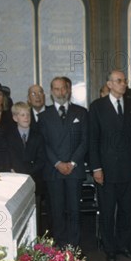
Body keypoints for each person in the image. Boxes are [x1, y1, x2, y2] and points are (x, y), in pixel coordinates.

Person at [89, 70, 131, 261]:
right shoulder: (97, 107)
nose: (124, 84)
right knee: (108, 210)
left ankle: (124, 246)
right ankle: (110, 249)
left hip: (128, 168)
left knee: (127, 210)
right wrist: (96, 168)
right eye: (119, 81)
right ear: (109, 84)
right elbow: (93, 139)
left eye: (125, 81)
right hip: (106, 169)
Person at [38, 76, 88, 248]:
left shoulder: (81, 113)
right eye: (57, 89)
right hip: (54, 171)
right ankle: (59, 247)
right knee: (56, 211)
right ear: (51, 92)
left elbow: (85, 140)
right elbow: (43, 144)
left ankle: (73, 247)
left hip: (75, 169)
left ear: (69, 90)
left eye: (63, 88)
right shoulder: (44, 116)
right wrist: (58, 163)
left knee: (74, 211)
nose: (61, 92)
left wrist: (72, 163)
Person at [7, 101, 47, 235]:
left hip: (34, 179)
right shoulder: (7, 136)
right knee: (17, 215)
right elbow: (9, 158)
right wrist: (18, 173)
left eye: (28, 115)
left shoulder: (38, 136)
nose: (26, 117)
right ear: (15, 118)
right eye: (22, 115)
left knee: (34, 215)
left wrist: (28, 173)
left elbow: (42, 159)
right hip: (14, 180)